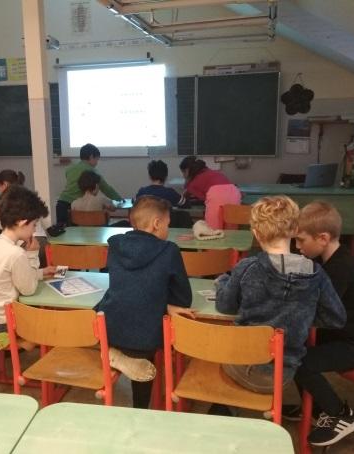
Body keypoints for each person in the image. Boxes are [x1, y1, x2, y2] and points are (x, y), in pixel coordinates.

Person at [215, 196, 346, 395]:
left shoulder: (246, 268)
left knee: (214, 353)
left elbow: (225, 306)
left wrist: (222, 282)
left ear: (256, 234)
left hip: (240, 367)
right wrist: (304, 315)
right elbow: (336, 318)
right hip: (282, 375)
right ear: (295, 230)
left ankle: (222, 413)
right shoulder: (316, 273)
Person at [294, 201, 354, 447]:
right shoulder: (328, 259)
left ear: (322, 238)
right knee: (294, 349)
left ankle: (339, 413)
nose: (297, 246)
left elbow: (316, 309)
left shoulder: (340, 268)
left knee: (299, 361)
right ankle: (316, 411)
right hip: (343, 335)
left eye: (301, 240)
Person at [94, 196, 195, 409]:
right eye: (168, 223)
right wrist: (165, 301)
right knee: (148, 329)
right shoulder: (169, 250)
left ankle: (108, 351)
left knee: (99, 312)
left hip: (111, 326)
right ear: (157, 224)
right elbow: (184, 298)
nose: (168, 229)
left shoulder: (116, 245)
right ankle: (140, 408)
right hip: (145, 337)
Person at [0, 185, 57, 360]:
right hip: (1, 319)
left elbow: (8, 276)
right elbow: (28, 289)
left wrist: (41, 273)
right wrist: (33, 254)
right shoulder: (16, 254)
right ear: (22, 222)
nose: (35, 230)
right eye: (34, 225)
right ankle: (3, 338)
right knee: (34, 338)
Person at [0, 168, 48, 265]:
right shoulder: (22, 196)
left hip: (31, 242)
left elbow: (9, 224)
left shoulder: (15, 200)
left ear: (5, 184)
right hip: (39, 241)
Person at [56, 143, 122, 225]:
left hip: (61, 203)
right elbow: (106, 189)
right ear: (91, 157)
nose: (97, 163)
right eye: (97, 159)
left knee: (65, 232)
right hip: (77, 207)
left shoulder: (70, 169)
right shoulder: (93, 172)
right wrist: (120, 199)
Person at [179, 156, 240, 229]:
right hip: (234, 191)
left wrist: (187, 180)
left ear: (187, 170)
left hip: (217, 194)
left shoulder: (193, 182)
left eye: (183, 172)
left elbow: (185, 196)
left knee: (213, 231)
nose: (183, 175)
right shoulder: (210, 172)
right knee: (231, 230)